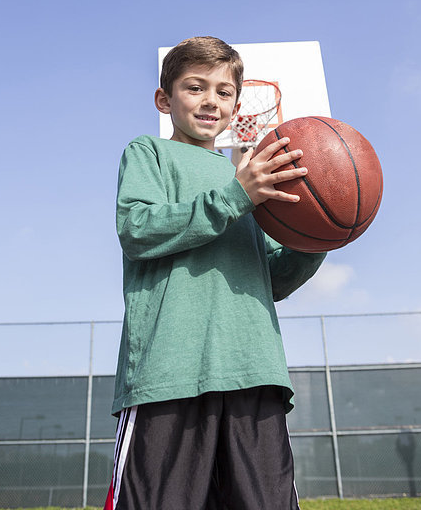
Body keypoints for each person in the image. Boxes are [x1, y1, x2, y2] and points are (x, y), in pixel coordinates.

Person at [104, 36, 326, 510]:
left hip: (253, 370)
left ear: (238, 106)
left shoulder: (252, 182)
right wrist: (234, 196)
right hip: (169, 372)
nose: (211, 101)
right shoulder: (150, 154)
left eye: (224, 92)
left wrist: (315, 241)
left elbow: (273, 280)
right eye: (195, 87)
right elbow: (136, 228)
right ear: (165, 99)